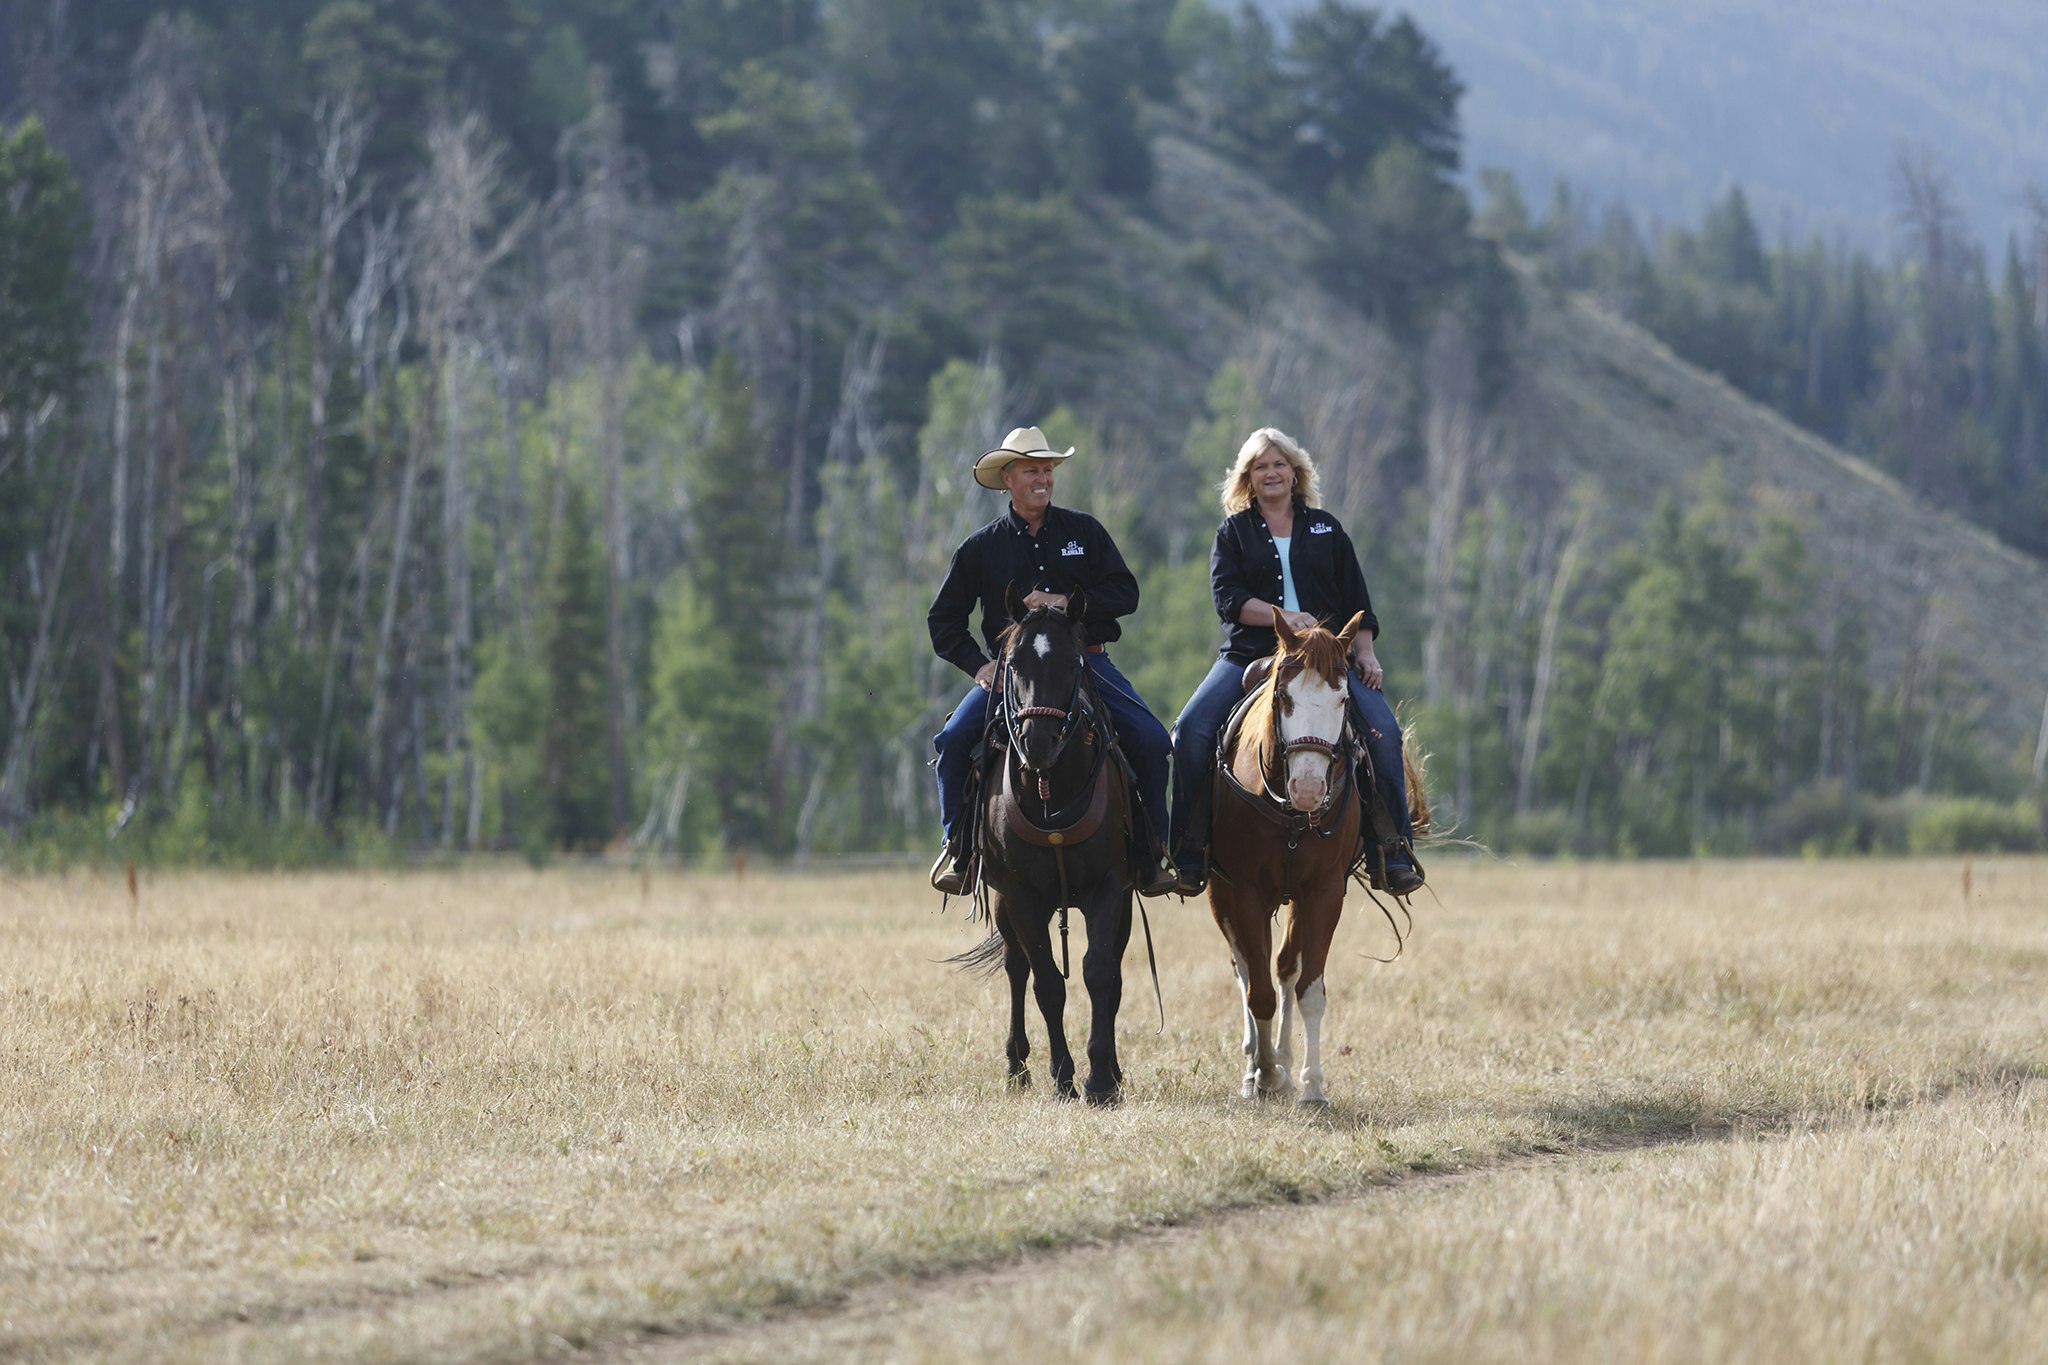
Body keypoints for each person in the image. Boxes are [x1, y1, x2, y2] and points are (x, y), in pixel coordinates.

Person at [1169, 427, 1423, 897]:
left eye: (1279, 464)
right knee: (1190, 730)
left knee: (1383, 734)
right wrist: (1284, 616)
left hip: (1326, 660)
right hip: (1250, 654)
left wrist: (1365, 652)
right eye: (1261, 466)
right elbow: (1229, 600)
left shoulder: (1327, 527)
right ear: (1247, 477)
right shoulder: (1233, 532)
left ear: (1296, 472)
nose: (1271, 473)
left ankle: (1393, 850)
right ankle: (1188, 850)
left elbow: (1357, 601)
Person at [927, 426, 1178, 897]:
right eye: (1031, 471)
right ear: (1008, 478)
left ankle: (1151, 852)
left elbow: (1126, 593)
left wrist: (1064, 601)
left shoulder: (1085, 531)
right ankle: (958, 849)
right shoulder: (980, 548)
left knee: (1149, 739)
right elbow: (943, 620)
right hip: (1013, 672)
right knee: (954, 741)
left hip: (1087, 663)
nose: (1042, 479)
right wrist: (980, 668)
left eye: (1047, 470)